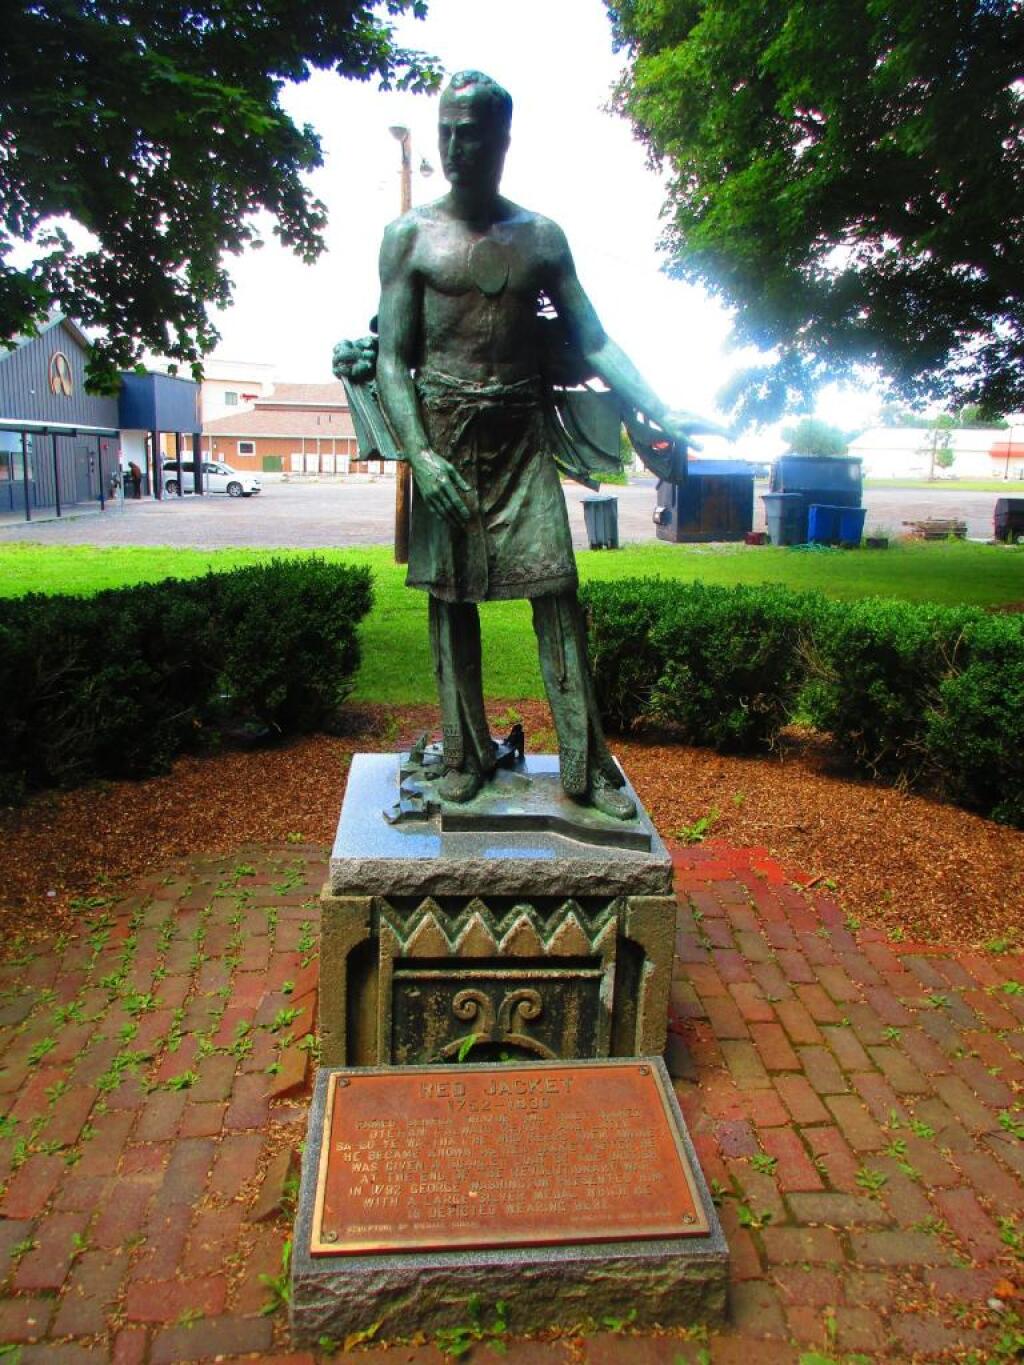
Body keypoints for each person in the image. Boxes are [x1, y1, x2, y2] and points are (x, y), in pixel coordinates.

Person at [374, 70, 720, 820]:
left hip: (520, 439)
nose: (456, 146)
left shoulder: (540, 237)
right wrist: (420, 457)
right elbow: (392, 363)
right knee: (450, 604)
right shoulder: (409, 238)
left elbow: (593, 338)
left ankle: (587, 768)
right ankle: (464, 757)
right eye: (446, 131)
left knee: (557, 595)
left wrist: (658, 406)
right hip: (443, 442)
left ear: (503, 140)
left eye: (472, 133)